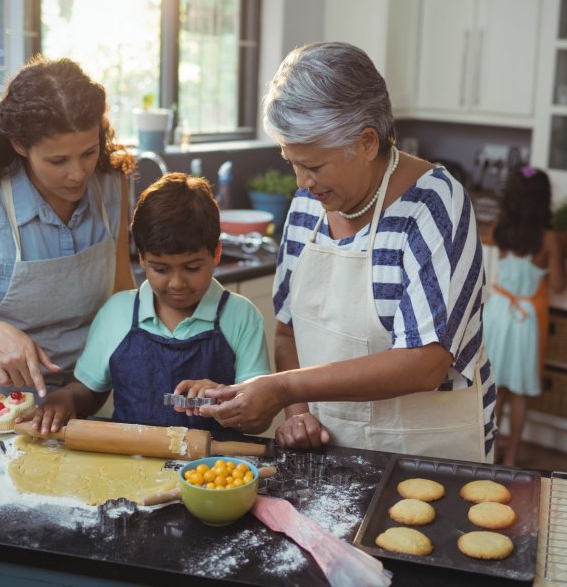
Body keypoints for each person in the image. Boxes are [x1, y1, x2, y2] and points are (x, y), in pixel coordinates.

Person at [199, 41, 493, 462]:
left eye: (314, 166)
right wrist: (298, 415)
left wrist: (285, 388)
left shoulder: (434, 205)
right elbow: (287, 331)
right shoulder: (309, 206)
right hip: (329, 454)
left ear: (368, 142)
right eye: (292, 162)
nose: (302, 182)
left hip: (430, 454)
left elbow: (426, 361)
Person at [0, 57, 136, 399]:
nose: (78, 173)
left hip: (84, 391)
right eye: (58, 161)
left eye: (88, 152)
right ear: (20, 145)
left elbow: (121, 297)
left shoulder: (113, 184)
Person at [26, 173, 271, 435]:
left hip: (213, 471)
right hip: (130, 467)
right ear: (141, 258)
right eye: (161, 269)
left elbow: (258, 420)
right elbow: (88, 391)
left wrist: (224, 397)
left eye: (191, 267)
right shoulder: (117, 313)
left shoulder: (241, 316)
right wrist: (66, 398)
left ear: (216, 253)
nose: (177, 283)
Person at [483, 166, 567, 466]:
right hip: (524, 319)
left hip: (497, 312)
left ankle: (490, 450)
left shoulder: (499, 229)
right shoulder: (549, 239)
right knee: (518, 392)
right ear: (544, 200)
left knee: (497, 388)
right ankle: (513, 454)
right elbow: (559, 284)